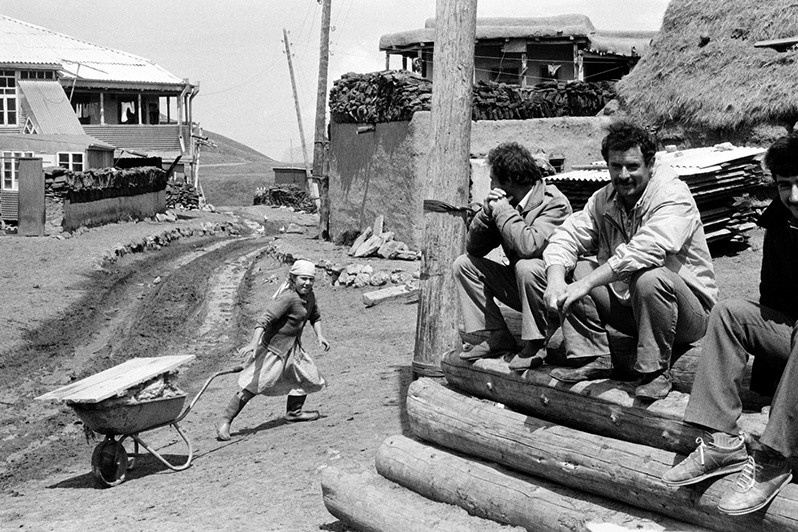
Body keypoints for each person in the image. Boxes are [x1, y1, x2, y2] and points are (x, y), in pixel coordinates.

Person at [661, 133, 798, 515]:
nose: (794, 195)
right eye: (785, 184)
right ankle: (720, 439)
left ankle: (773, 459)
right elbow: (772, 305)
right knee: (728, 311)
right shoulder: (780, 225)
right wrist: (775, 386)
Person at [541, 121, 717, 399]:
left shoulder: (672, 194)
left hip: (688, 312)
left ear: (650, 163)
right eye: (615, 166)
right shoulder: (604, 199)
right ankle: (593, 357)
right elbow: (568, 235)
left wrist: (586, 284)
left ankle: (655, 372)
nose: (623, 175)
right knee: (572, 269)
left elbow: (645, 251)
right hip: (633, 306)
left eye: (632, 166)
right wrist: (555, 280)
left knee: (649, 277)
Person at [453, 141, 572, 371]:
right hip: (522, 290)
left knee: (526, 266)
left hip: (554, 294)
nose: (490, 186)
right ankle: (498, 335)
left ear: (508, 181)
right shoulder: (508, 203)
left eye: (493, 180)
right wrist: (486, 214)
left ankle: (535, 344)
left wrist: (502, 211)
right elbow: (474, 249)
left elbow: (530, 246)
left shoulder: (554, 203)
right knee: (464, 265)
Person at [216, 259, 330, 441]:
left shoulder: (310, 297)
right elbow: (264, 320)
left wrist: (320, 336)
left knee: (307, 376)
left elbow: (315, 317)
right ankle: (225, 420)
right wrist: (254, 343)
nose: (307, 283)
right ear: (293, 278)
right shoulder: (288, 297)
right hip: (273, 349)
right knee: (255, 385)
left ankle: (294, 413)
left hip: (293, 348)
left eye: (311, 279)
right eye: (303, 279)